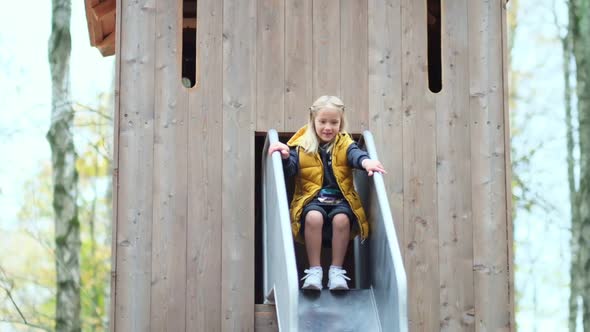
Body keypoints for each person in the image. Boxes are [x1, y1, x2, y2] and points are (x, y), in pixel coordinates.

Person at [268, 95, 386, 291]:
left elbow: (356, 155)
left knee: (342, 220)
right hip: (312, 199)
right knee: (313, 217)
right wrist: (286, 156)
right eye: (322, 122)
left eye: (334, 122)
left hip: (340, 200)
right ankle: (314, 270)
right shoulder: (302, 144)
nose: (328, 127)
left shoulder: (344, 143)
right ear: (313, 120)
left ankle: (336, 272)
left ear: (341, 123)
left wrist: (367, 163)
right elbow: (291, 170)